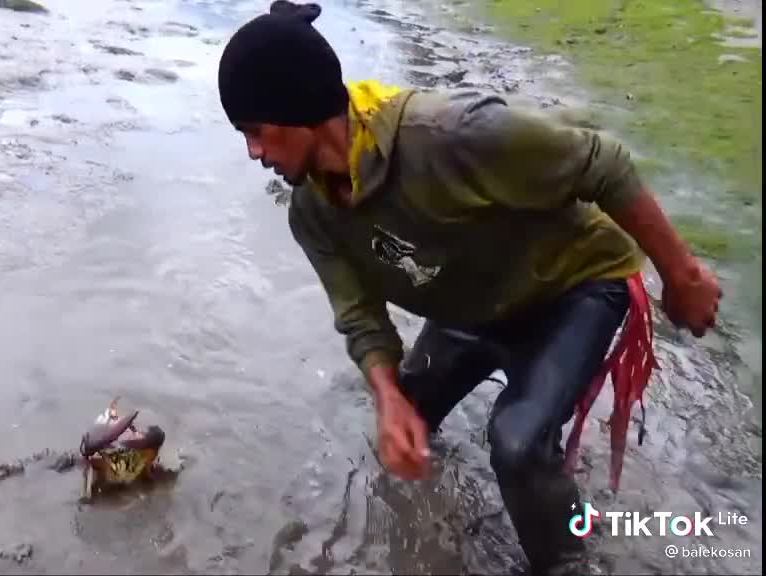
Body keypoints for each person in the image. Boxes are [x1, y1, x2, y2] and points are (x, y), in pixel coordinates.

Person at [216, 1, 724, 573]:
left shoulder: (449, 133)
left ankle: (567, 562)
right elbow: (359, 314)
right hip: (471, 304)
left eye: (255, 132)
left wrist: (682, 276)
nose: (253, 153)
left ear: (298, 109)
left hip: (572, 289)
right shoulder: (312, 212)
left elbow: (603, 163)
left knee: (516, 442)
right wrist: (387, 399)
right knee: (402, 416)